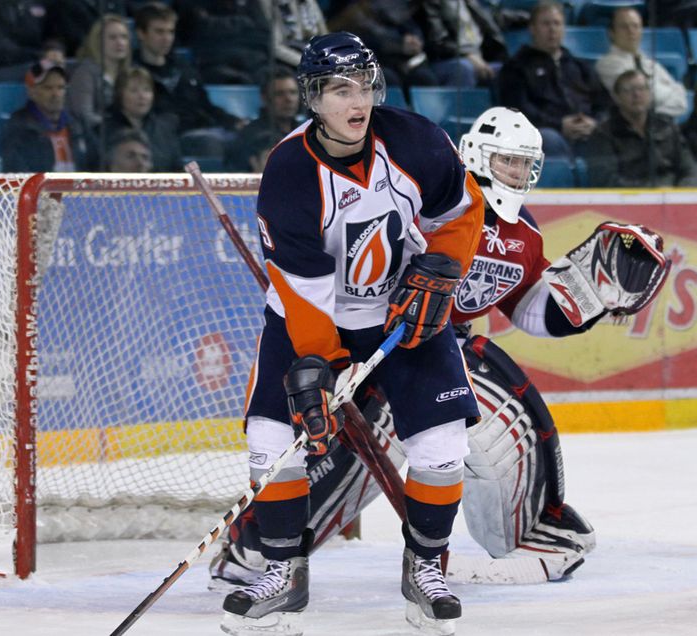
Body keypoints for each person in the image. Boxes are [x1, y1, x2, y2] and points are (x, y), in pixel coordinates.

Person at [208, 107, 672, 591]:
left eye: (524, 163)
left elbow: (529, 308)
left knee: (474, 404)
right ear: (475, 155)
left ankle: (528, 528)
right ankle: (259, 548)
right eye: (507, 160)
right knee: (337, 449)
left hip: (429, 353)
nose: (516, 173)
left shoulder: (523, 233)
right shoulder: (430, 200)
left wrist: (591, 297)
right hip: (365, 347)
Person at [218, 32, 485, 636]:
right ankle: (283, 574)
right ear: (313, 98)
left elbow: (461, 212)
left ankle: (425, 567)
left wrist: (444, 266)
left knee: (442, 443)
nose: (358, 100)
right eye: (341, 89)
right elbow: (301, 288)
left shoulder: (416, 141)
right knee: (270, 440)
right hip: (311, 317)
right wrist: (320, 365)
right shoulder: (290, 171)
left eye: (365, 85)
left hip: (405, 312)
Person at [497, 1, 612, 158]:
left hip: (587, 130)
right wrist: (560, 124)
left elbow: (604, 103)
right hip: (544, 132)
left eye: (557, 23)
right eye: (546, 24)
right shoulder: (516, 67)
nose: (552, 29)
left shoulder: (579, 66)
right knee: (549, 139)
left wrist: (594, 122)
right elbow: (518, 109)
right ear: (532, 29)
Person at [131, 2, 246, 153]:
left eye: (170, 32)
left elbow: (206, 105)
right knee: (211, 145)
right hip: (166, 140)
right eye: (159, 32)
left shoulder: (183, 67)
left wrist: (234, 122)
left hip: (201, 130)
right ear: (141, 33)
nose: (166, 38)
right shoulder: (133, 72)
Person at [581, 69, 697, 188]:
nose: (637, 95)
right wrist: (651, 191)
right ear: (617, 97)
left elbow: (690, 168)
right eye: (628, 90)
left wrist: (683, 190)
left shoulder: (667, 127)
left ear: (650, 93)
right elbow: (605, 180)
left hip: (673, 193)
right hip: (629, 196)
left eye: (641, 88)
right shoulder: (603, 134)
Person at [1, 59, 99, 172]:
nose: (56, 94)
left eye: (61, 87)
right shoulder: (18, 127)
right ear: (31, 92)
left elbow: (98, 164)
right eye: (48, 88)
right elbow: (16, 171)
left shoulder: (77, 123)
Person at [327, 0, 439, 94]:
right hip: (362, 58)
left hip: (397, 59)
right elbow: (354, 35)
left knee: (424, 78)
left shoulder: (394, 5)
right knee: (386, 78)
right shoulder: (353, 6)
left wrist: (414, 39)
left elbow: (408, 24)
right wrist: (398, 44)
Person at [594, 6, 688, 118]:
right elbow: (639, 99)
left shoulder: (650, 63)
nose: (631, 31)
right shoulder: (607, 64)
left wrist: (653, 107)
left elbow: (681, 99)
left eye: (636, 26)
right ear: (611, 33)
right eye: (624, 27)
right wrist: (667, 94)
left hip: (661, 124)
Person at [103, 67, 183, 172]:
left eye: (147, 90)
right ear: (120, 94)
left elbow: (177, 169)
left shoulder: (164, 130)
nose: (142, 96)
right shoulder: (104, 130)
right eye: (134, 90)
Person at [414, 0, 508, 88]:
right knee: (463, 69)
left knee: (506, 71)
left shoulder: (471, 2)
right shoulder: (430, 3)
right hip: (444, 61)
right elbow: (438, 41)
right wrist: (467, 54)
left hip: (479, 59)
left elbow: (493, 20)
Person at [224, 71, 305, 172]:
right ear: (264, 98)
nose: (289, 99)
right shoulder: (250, 136)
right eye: (279, 94)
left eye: (293, 92)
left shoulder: (306, 131)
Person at [67, 14, 132, 131]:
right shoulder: (85, 73)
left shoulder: (129, 73)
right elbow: (84, 115)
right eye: (112, 37)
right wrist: (118, 126)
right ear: (98, 41)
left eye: (124, 37)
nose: (120, 42)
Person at [269, 0, 329, 70]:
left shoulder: (309, 2)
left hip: (316, 53)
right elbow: (276, 48)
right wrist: (309, 63)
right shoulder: (275, 5)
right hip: (292, 61)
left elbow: (324, 34)